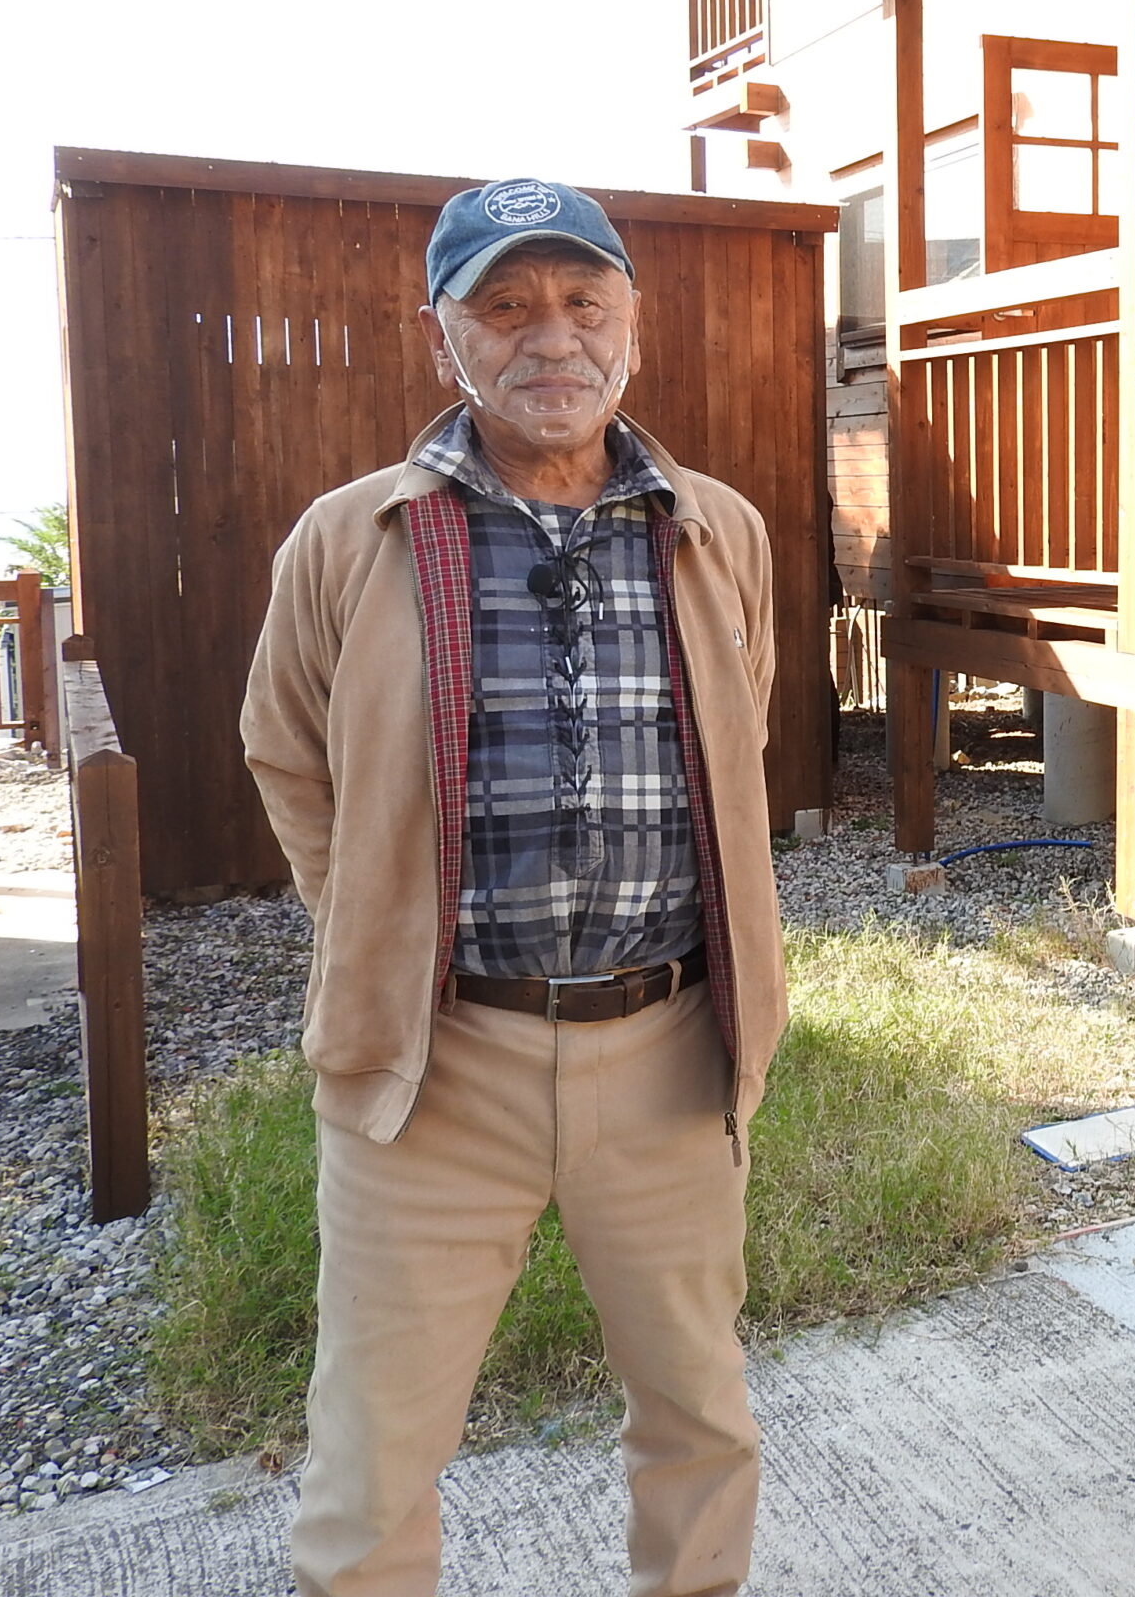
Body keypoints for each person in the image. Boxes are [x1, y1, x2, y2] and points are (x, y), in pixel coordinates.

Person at [241, 178, 787, 1597]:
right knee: (372, 1461)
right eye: (507, 306)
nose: (553, 336)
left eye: (582, 301)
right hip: (437, 1068)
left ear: (632, 328)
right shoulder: (351, 538)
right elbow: (282, 750)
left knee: (701, 1416)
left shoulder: (715, 529)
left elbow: (744, 736)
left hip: (671, 1052)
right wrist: (371, 926)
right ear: (445, 342)